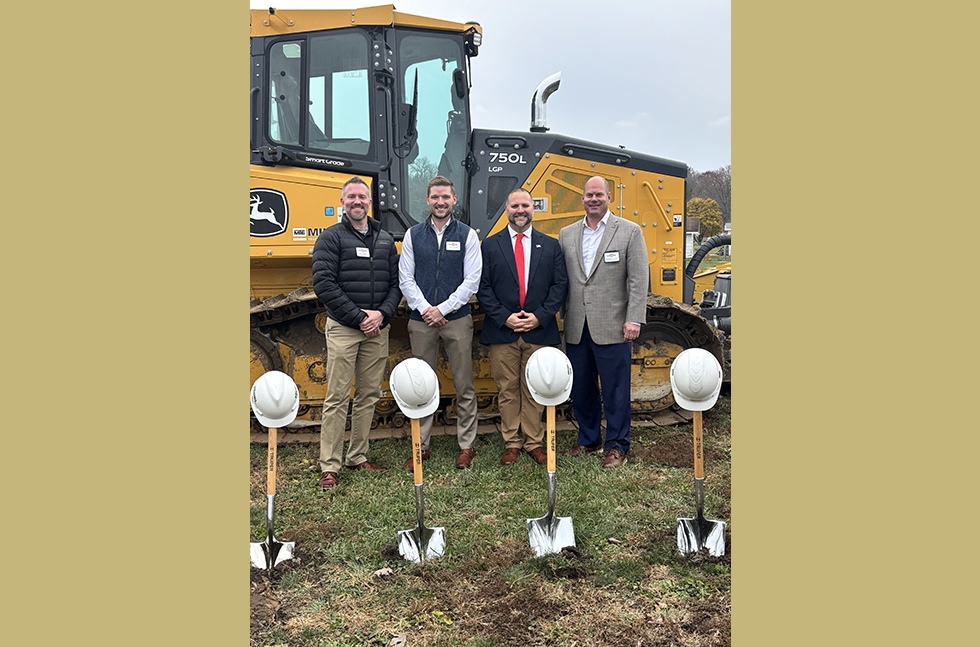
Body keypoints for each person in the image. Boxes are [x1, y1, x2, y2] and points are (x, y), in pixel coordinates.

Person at [311, 177, 401, 490]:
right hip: (345, 329)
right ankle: (329, 466)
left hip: (377, 328)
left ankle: (357, 456)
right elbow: (324, 284)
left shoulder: (385, 239)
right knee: (337, 397)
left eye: (362, 196)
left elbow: (396, 284)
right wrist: (360, 317)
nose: (357, 202)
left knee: (368, 396)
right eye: (351, 197)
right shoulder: (331, 238)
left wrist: (383, 314)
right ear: (342, 202)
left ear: (369, 201)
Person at [557, 176, 647, 468]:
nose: (593, 199)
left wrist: (634, 318)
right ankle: (589, 439)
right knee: (581, 389)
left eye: (599, 194)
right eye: (588, 195)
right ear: (582, 199)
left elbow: (638, 279)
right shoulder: (567, 234)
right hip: (577, 325)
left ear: (610, 197)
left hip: (614, 325)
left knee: (615, 390)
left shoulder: (629, 232)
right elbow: (565, 280)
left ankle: (618, 445)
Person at [477, 188, 567, 465]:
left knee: (534, 388)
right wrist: (504, 316)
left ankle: (533, 441)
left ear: (533, 209)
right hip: (502, 330)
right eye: (514, 205)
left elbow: (559, 285)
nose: (520, 210)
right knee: (507, 389)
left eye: (525, 205)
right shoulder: (490, 246)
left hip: (539, 330)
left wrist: (540, 316)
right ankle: (512, 443)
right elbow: (483, 287)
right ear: (506, 209)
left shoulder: (550, 246)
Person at [398, 176, 483, 469]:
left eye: (445, 197)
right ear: (428, 200)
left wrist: (443, 308)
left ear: (454, 200)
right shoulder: (413, 235)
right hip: (422, 321)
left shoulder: (468, 235)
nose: (440, 202)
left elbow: (472, 280)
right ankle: (420, 446)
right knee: (421, 385)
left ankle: (466, 445)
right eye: (435, 197)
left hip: (456, 319)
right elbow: (405, 278)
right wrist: (425, 309)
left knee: (464, 384)